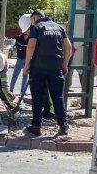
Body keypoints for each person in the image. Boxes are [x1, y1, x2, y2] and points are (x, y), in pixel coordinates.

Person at [23, 9, 72, 137]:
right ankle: (63, 126)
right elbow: (69, 47)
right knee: (58, 97)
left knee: (37, 97)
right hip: (56, 67)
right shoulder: (59, 28)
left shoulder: (36, 27)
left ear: (34, 18)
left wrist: (26, 65)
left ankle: (36, 127)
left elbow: (31, 46)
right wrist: (65, 64)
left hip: (38, 68)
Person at [9, 15, 30, 96]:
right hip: (20, 59)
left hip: (27, 59)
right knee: (15, 75)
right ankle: (11, 89)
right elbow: (20, 48)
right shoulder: (18, 38)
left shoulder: (30, 38)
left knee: (25, 75)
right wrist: (27, 48)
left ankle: (23, 91)